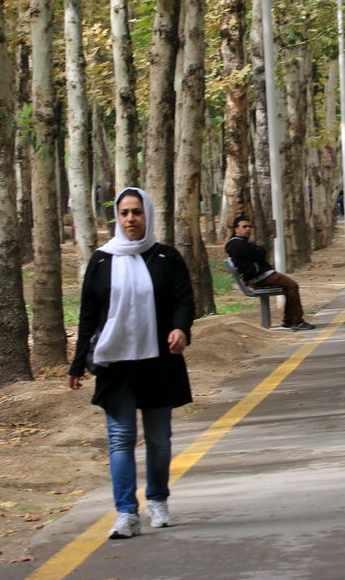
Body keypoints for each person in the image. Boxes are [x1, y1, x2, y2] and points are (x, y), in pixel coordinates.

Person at [68, 187, 195, 539]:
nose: (130, 219)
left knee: (159, 438)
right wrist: (77, 364)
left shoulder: (167, 258)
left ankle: (158, 500)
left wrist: (180, 329)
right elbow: (88, 315)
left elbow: (184, 301)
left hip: (158, 360)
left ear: (148, 215)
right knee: (120, 438)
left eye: (136, 212)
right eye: (124, 213)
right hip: (116, 364)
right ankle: (125, 512)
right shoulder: (102, 260)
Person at [225, 215, 315, 330]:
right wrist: (258, 252)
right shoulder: (236, 244)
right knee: (292, 285)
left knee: (289, 287)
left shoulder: (242, 243)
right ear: (236, 229)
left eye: (249, 227)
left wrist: (259, 252)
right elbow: (259, 254)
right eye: (244, 226)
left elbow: (260, 252)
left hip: (261, 275)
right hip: (260, 277)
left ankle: (289, 320)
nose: (248, 229)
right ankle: (297, 321)